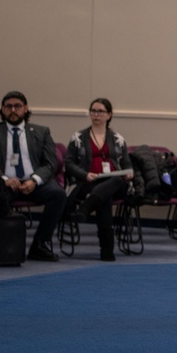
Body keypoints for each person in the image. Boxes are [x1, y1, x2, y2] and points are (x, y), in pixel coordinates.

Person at [0, 91, 66, 262]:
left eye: (17, 106)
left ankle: (39, 244)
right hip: (6, 184)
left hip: (34, 183)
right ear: (2, 110)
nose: (13, 110)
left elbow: (50, 163)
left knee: (58, 195)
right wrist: (4, 179)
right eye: (8, 106)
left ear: (25, 109)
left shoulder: (41, 132)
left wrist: (34, 180)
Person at [64, 98, 132, 262]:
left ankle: (86, 208)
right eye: (93, 111)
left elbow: (127, 163)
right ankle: (107, 250)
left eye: (100, 111)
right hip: (87, 183)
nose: (96, 114)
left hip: (115, 184)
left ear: (109, 115)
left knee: (115, 181)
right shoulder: (78, 137)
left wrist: (130, 173)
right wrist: (84, 175)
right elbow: (69, 163)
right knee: (104, 198)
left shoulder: (118, 138)